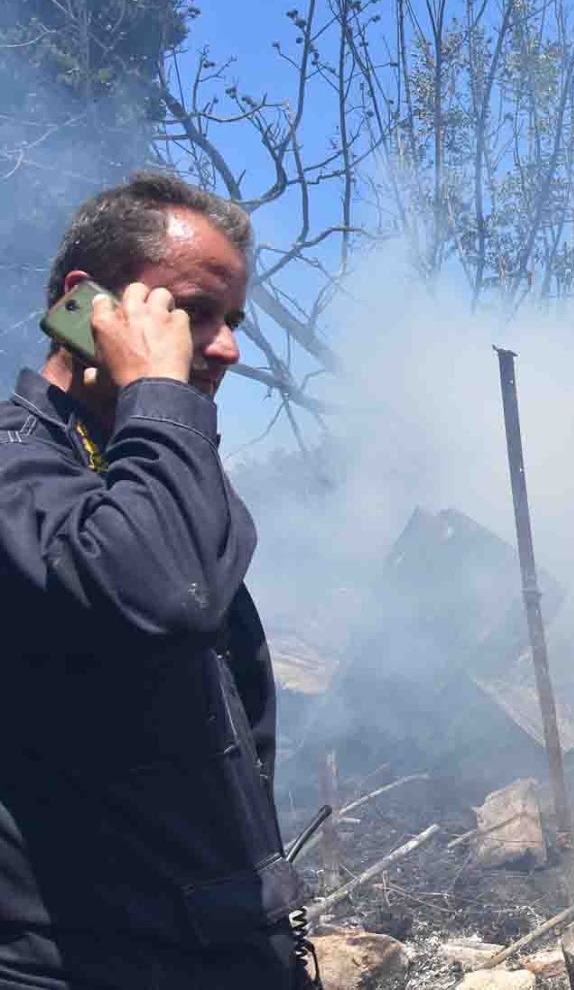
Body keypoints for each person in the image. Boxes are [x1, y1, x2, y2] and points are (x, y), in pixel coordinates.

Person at [0, 172, 312, 987]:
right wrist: (159, 394)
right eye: (194, 312)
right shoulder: (14, 465)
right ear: (88, 302)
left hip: (211, 953)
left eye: (232, 320)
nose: (227, 347)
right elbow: (163, 594)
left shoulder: (144, 463)